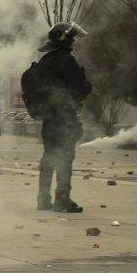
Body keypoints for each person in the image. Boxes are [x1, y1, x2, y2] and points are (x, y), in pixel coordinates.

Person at [25, 22, 92, 213]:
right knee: (65, 157)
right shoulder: (66, 60)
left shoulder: (45, 61)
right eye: (71, 38)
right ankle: (62, 199)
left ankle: (43, 199)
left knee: (48, 155)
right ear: (65, 39)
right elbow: (80, 88)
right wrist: (86, 85)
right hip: (64, 118)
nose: (73, 41)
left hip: (49, 119)